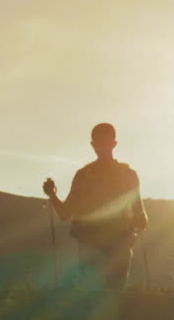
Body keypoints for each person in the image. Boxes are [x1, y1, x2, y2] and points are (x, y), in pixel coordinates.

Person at [43, 123, 148, 290]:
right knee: (116, 297)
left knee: (92, 300)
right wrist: (132, 229)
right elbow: (141, 218)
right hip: (119, 247)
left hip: (89, 248)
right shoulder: (129, 175)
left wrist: (52, 195)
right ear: (114, 144)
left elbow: (64, 214)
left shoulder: (83, 176)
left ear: (93, 144)